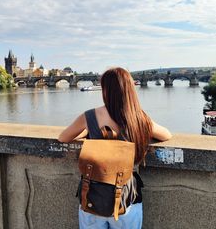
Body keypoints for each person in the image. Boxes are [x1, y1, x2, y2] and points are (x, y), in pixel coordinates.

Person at [58, 67, 172, 229]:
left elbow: (63, 137)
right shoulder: (138, 118)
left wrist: (89, 130)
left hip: (93, 197)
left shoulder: (90, 116)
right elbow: (166, 135)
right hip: (127, 199)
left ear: (105, 90)